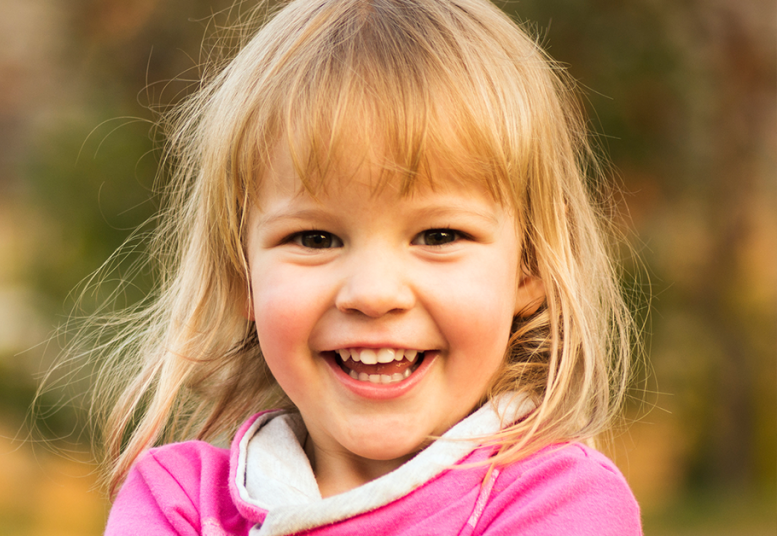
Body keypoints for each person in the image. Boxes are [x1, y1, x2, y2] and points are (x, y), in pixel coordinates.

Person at [81, 0, 643, 533]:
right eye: (315, 237)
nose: (373, 294)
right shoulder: (179, 502)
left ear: (529, 267)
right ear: (240, 274)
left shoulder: (561, 501)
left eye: (439, 235)